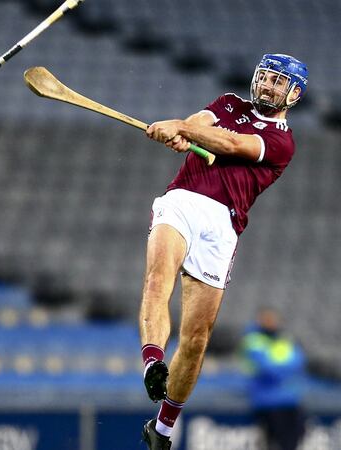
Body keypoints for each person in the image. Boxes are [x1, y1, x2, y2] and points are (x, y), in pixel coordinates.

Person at [137, 53, 308, 450]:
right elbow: (202, 124)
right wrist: (184, 133)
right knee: (157, 277)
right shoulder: (229, 103)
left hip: (223, 226)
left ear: (294, 94)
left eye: (277, 82)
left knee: (197, 338)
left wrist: (182, 129)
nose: (266, 85)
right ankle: (152, 361)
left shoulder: (282, 141)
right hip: (181, 200)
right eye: (264, 76)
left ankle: (162, 429)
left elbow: (233, 143)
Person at [241, 307, 306, 450]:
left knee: (293, 441)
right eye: (267, 319)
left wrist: (280, 369)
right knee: (273, 442)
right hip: (266, 401)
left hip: (290, 400)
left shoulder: (285, 339)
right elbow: (266, 368)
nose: (271, 323)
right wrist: (284, 370)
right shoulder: (253, 340)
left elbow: (298, 361)